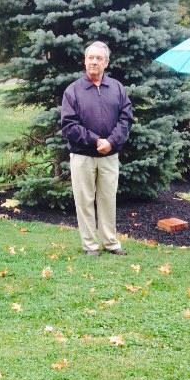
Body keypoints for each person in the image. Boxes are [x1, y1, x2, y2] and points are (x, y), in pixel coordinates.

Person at [61, 41, 133, 256]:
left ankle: (110, 242)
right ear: (85, 61)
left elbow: (126, 118)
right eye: (90, 58)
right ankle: (90, 245)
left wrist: (111, 142)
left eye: (99, 58)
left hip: (109, 155)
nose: (94, 62)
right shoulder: (73, 90)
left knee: (108, 199)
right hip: (83, 156)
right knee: (84, 201)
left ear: (106, 63)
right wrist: (95, 141)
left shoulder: (117, 88)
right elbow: (69, 125)